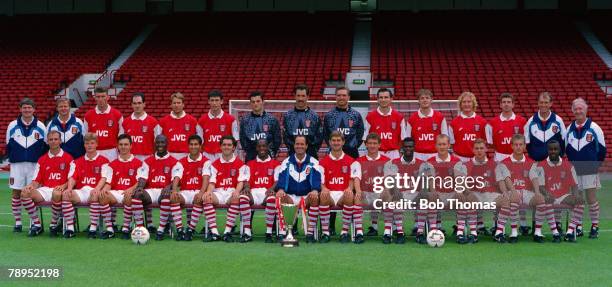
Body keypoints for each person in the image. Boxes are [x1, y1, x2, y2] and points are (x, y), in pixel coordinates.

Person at [565, 98, 606, 239]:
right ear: (572, 111)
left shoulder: (595, 127)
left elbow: (602, 150)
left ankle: (595, 225)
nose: (578, 111)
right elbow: (566, 149)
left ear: (586, 109)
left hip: (590, 169)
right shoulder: (569, 129)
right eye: (575, 108)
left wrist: (594, 164)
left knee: (591, 198)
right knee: (578, 199)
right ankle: (578, 226)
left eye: (580, 108)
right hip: (574, 170)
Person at [20, 131, 73, 237]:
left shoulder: (69, 158)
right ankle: (37, 224)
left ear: (60, 141)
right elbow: (36, 181)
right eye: (51, 139)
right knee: (24, 193)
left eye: (56, 139)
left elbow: (72, 179)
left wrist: (63, 186)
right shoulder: (42, 159)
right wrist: (30, 186)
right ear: (47, 142)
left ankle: (53, 223)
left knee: (56, 193)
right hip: (45, 190)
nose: (53, 141)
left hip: (60, 191)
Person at [495, 134, 546, 243]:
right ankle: (514, 232)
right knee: (514, 198)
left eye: (521, 145)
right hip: (512, 191)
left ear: (524, 147)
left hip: (527, 192)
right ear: (512, 146)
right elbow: (504, 179)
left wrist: (537, 192)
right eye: (516, 145)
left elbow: (534, 178)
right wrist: (510, 192)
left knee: (541, 200)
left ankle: (537, 232)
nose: (518, 147)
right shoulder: (504, 162)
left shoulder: (531, 162)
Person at [382, 137, 432, 244]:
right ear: (402, 148)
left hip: (415, 194)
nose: (408, 148)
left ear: (414, 148)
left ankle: (419, 233)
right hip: (400, 194)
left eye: (410, 146)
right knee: (392, 198)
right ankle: (400, 233)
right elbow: (389, 181)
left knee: (424, 199)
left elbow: (426, 181)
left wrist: (423, 191)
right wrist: (395, 189)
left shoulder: (423, 164)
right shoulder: (392, 163)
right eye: (406, 147)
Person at [130, 135, 181, 241]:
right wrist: (140, 187)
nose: (160, 145)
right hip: (150, 191)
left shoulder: (175, 162)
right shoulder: (147, 161)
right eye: (157, 143)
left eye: (162, 142)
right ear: (155, 144)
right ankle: (141, 229)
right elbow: (143, 178)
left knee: (167, 195)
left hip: (164, 191)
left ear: (167, 144)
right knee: (137, 194)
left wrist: (169, 186)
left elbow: (176, 179)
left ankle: (161, 229)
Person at [7, 98, 47, 232]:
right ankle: (18, 222)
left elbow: (45, 145)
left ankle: (33, 222)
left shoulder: (41, 126)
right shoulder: (12, 125)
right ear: (20, 109)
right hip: (17, 165)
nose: (27, 110)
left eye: (29, 107)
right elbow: (8, 145)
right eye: (24, 107)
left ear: (34, 109)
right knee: (16, 191)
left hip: (34, 165)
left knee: (31, 192)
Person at [275, 135, 323, 243]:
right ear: (294, 145)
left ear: (306, 146)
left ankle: (310, 234)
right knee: (280, 197)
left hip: (306, 196)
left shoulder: (313, 162)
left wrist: (315, 190)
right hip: (291, 197)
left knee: (315, 196)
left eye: (302, 144)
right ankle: (283, 232)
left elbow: (317, 179)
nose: (299, 146)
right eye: (297, 144)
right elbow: (281, 179)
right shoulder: (286, 162)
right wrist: (281, 189)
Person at [202, 136, 250, 242]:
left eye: (229, 145)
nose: (226, 147)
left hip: (231, 191)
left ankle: (227, 232)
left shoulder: (240, 164)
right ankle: (214, 232)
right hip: (218, 192)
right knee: (206, 197)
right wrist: (208, 192)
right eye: (224, 145)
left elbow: (240, 181)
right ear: (220, 147)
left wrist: (237, 191)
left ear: (233, 148)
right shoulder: (214, 164)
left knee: (236, 198)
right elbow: (212, 182)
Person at [62, 133, 109, 238]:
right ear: (84, 145)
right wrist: (69, 188)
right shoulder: (77, 161)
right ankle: (70, 228)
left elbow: (104, 178)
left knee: (95, 194)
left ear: (97, 144)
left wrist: (97, 188)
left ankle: (93, 228)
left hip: (94, 190)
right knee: (66, 194)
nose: (89, 145)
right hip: (81, 191)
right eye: (87, 143)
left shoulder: (104, 161)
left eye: (92, 143)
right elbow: (73, 177)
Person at [98, 134, 146, 239]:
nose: (123, 147)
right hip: (116, 193)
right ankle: (110, 229)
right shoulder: (112, 164)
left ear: (131, 146)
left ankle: (125, 228)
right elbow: (108, 183)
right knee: (102, 196)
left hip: (130, 192)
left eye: (126, 144)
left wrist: (131, 189)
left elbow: (140, 181)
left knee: (129, 196)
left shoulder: (139, 163)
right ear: (117, 146)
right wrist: (104, 190)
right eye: (121, 145)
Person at [537, 140, 585, 242]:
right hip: (549, 196)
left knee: (580, 201)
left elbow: (575, 185)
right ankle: (555, 233)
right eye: (551, 149)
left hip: (563, 196)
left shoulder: (568, 165)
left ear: (559, 150)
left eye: (555, 149)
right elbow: (540, 186)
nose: (553, 151)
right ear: (547, 150)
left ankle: (569, 232)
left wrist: (576, 196)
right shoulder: (541, 165)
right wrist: (547, 194)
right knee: (545, 201)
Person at [319, 131, 362, 243]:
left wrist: (349, 188)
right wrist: (323, 188)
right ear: (329, 142)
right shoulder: (323, 162)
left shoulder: (352, 161)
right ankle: (325, 233)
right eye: (333, 140)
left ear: (343, 142)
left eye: (338, 140)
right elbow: (320, 180)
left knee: (349, 195)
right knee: (323, 195)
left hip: (343, 193)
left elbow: (353, 177)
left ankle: (344, 232)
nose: (336, 143)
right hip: (330, 194)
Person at [426, 134, 467, 241]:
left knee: (461, 196)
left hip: (451, 195)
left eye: (444, 144)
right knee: (431, 196)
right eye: (439, 144)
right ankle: (434, 232)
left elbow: (459, 180)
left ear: (449, 145)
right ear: (435, 146)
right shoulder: (430, 161)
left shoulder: (456, 161)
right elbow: (430, 181)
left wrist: (458, 192)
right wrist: (433, 192)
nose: (442, 147)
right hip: (438, 194)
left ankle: (460, 232)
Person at [244, 140, 281, 243]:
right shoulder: (249, 164)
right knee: (243, 198)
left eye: (264, 146)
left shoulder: (276, 163)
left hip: (268, 192)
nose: (262, 149)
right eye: (259, 146)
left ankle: (269, 233)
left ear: (268, 147)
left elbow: (277, 180)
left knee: (272, 199)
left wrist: (272, 189)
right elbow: (246, 180)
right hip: (254, 192)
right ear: (256, 148)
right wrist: (247, 189)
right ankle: (247, 232)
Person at [176, 135, 211, 241]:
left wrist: (201, 192)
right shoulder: (181, 161)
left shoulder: (206, 161)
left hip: (198, 191)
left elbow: (206, 179)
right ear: (188, 146)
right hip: (185, 192)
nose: (193, 146)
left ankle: (190, 230)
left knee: (200, 198)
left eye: (196, 144)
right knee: (174, 198)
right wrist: (174, 191)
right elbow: (176, 178)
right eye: (191, 144)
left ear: (200, 146)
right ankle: (180, 230)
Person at [356, 133, 390, 237]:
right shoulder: (359, 161)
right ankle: (359, 232)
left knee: (388, 195)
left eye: (375, 143)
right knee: (358, 197)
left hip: (380, 193)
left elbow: (391, 179)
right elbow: (356, 179)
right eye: (370, 143)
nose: (372, 146)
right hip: (365, 193)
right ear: (365, 144)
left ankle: (387, 232)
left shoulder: (387, 160)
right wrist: (358, 191)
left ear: (379, 145)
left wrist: (387, 190)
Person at [364, 88, 407, 160]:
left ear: (391, 99)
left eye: (386, 97)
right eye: (381, 97)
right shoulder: (370, 117)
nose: (383, 100)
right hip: (376, 153)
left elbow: (403, 138)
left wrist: (399, 152)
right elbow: (365, 138)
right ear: (377, 99)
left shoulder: (399, 117)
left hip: (393, 153)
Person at [323, 87, 365, 159]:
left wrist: (352, 146)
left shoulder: (356, 115)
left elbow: (360, 134)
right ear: (335, 97)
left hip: (351, 153)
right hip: (333, 152)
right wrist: (334, 145)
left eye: (344, 95)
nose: (341, 97)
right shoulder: (329, 115)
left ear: (348, 97)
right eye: (339, 95)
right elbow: (326, 134)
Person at [407, 89, 448, 161]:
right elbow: (408, 139)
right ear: (418, 101)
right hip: (417, 155)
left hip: (435, 154)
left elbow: (445, 137)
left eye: (427, 98)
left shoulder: (440, 117)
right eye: (422, 98)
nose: (425, 100)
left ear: (431, 100)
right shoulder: (412, 119)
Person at [197, 90, 239, 161]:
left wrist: (230, 155)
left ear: (221, 101)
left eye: (217, 100)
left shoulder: (231, 119)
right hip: (207, 156)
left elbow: (235, 139)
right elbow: (199, 141)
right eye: (212, 100)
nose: (214, 103)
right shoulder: (202, 120)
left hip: (225, 155)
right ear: (208, 101)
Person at [83, 87, 124, 161]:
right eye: (98, 97)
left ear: (107, 97)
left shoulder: (117, 115)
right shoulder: (88, 115)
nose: (101, 99)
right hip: (94, 151)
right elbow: (85, 136)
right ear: (95, 98)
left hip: (112, 152)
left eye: (103, 96)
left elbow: (121, 136)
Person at [239, 91, 281, 162]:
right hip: (251, 157)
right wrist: (251, 151)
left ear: (263, 102)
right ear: (250, 103)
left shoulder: (272, 119)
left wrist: (270, 151)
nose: (255, 104)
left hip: (268, 156)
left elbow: (277, 139)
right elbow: (243, 140)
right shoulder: (245, 120)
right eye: (253, 102)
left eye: (258, 101)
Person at [524, 92, 566, 162]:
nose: (543, 105)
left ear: (550, 103)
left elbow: (564, 141)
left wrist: (559, 156)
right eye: (541, 102)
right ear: (538, 103)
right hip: (536, 162)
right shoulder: (531, 121)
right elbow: (527, 143)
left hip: (554, 162)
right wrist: (533, 155)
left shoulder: (558, 120)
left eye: (546, 102)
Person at [283, 84, 322, 158]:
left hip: (311, 156)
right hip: (292, 155)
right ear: (294, 96)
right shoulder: (288, 116)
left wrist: (310, 150)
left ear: (308, 97)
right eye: (298, 95)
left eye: (303, 96)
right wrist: (295, 149)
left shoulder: (315, 116)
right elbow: (285, 137)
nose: (300, 98)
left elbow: (319, 138)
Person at [485, 93, 527, 162]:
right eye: (504, 102)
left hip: (517, 157)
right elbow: (490, 143)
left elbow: (526, 141)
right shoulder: (492, 123)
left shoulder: (522, 121)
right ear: (500, 105)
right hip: (499, 158)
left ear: (513, 104)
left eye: (509, 102)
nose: (506, 104)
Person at [448, 91, 488, 162]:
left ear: (473, 104)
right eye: (464, 102)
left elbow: (486, 142)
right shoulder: (454, 123)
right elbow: (451, 143)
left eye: (469, 102)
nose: (466, 104)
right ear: (460, 104)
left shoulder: (482, 122)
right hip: (459, 158)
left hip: (478, 159)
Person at [121, 92, 161, 161]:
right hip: (129, 158)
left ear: (144, 104)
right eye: (135, 103)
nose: (137, 106)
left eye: (139, 103)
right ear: (131, 105)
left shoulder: (153, 122)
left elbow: (158, 143)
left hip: (147, 159)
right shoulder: (125, 122)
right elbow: (121, 143)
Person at [159, 92, 198, 159]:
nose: (176, 105)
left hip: (187, 156)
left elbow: (198, 141)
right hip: (169, 156)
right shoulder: (163, 121)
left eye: (179, 103)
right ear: (171, 105)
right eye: (174, 103)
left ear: (183, 104)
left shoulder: (192, 121)